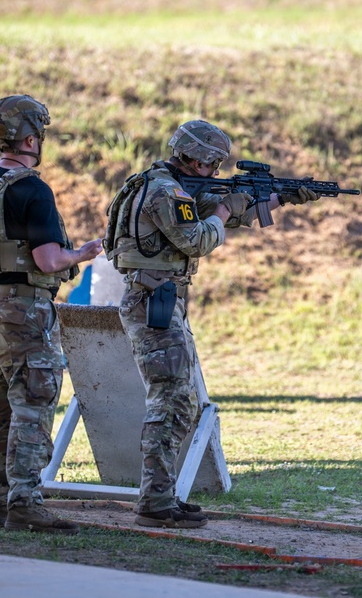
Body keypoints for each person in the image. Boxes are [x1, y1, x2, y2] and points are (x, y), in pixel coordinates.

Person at [104, 119, 320, 528]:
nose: (217, 171)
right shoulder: (167, 192)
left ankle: (160, 495)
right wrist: (223, 209)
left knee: (177, 399)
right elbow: (199, 238)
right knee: (170, 400)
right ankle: (155, 502)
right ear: (196, 158)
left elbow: (221, 214)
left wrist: (279, 197)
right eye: (213, 163)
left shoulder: (166, 185)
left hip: (159, 299)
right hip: (154, 302)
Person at [0, 95, 103, 535]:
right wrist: (81, 253)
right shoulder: (33, 189)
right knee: (33, 403)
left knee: (1, 409)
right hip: (24, 308)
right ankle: (24, 502)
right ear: (30, 139)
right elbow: (48, 260)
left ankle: (0, 502)